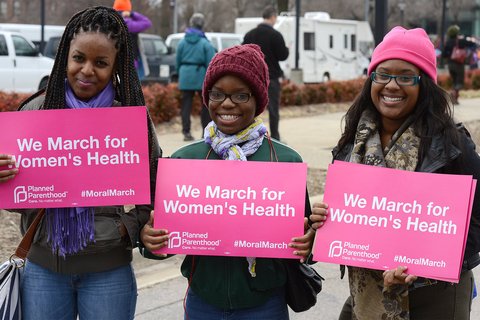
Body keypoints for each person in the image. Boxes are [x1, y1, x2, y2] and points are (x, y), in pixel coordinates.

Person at [0, 6, 161, 320]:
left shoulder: (129, 118)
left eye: (100, 63)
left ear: (116, 66)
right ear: (65, 56)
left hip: (108, 272)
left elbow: (156, 187)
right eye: (79, 58)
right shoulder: (34, 112)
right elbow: (18, 201)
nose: (87, 70)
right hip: (44, 269)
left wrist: (130, 229)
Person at [310, 26, 480, 319]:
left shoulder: (452, 144)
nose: (391, 85)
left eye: (405, 77)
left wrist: (423, 263)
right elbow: (352, 214)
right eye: (383, 74)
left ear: (423, 84)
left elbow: (476, 223)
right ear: (371, 79)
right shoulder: (353, 140)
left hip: (435, 296)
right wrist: (322, 223)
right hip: (368, 294)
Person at [140, 44, 320, 319]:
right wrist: (150, 242)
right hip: (203, 302)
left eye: (240, 95)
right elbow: (161, 238)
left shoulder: (284, 161)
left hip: (265, 305)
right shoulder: (184, 160)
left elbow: (306, 240)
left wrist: (310, 245)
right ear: (206, 97)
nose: (226, 103)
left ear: (258, 100)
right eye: (218, 94)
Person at [243, 5, 289, 141]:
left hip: (252, 77)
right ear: (273, 17)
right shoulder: (276, 35)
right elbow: (283, 55)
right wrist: (287, 49)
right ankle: (274, 138)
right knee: (273, 110)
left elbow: (243, 54)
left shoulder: (249, 34)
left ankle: (247, 136)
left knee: (250, 108)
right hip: (271, 77)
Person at [176, 12, 216, 141]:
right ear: (202, 25)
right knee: (205, 105)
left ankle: (186, 132)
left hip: (185, 75)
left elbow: (177, 61)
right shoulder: (205, 43)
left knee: (186, 105)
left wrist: (179, 73)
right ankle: (205, 131)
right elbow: (210, 62)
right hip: (200, 76)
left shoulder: (182, 42)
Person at [113, 0, 152, 80]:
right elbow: (147, 23)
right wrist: (132, 14)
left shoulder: (111, 22)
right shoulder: (128, 24)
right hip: (129, 61)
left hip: (113, 60)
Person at [442, 24, 467, 105]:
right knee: (459, 82)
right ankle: (454, 95)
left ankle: (454, 98)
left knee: (454, 81)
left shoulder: (447, 42)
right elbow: (469, 45)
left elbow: (444, 55)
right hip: (459, 64)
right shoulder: (460, 41)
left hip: (450, 64)